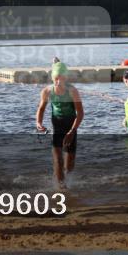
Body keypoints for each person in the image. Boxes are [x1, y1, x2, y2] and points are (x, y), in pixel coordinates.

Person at [35, 61, 83, 190]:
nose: (58, 82)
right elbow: (41, 109)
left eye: (60, 79)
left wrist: (72, 131)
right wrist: (39, 123)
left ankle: (66, 181)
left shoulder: (72, 91)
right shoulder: (47, 91)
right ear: (53, 78)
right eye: (56, 79)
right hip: (57, 124)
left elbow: (80, 113)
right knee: (58, 159)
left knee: (69, 163)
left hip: (71, 125)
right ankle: (61, 188)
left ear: (65, 78)